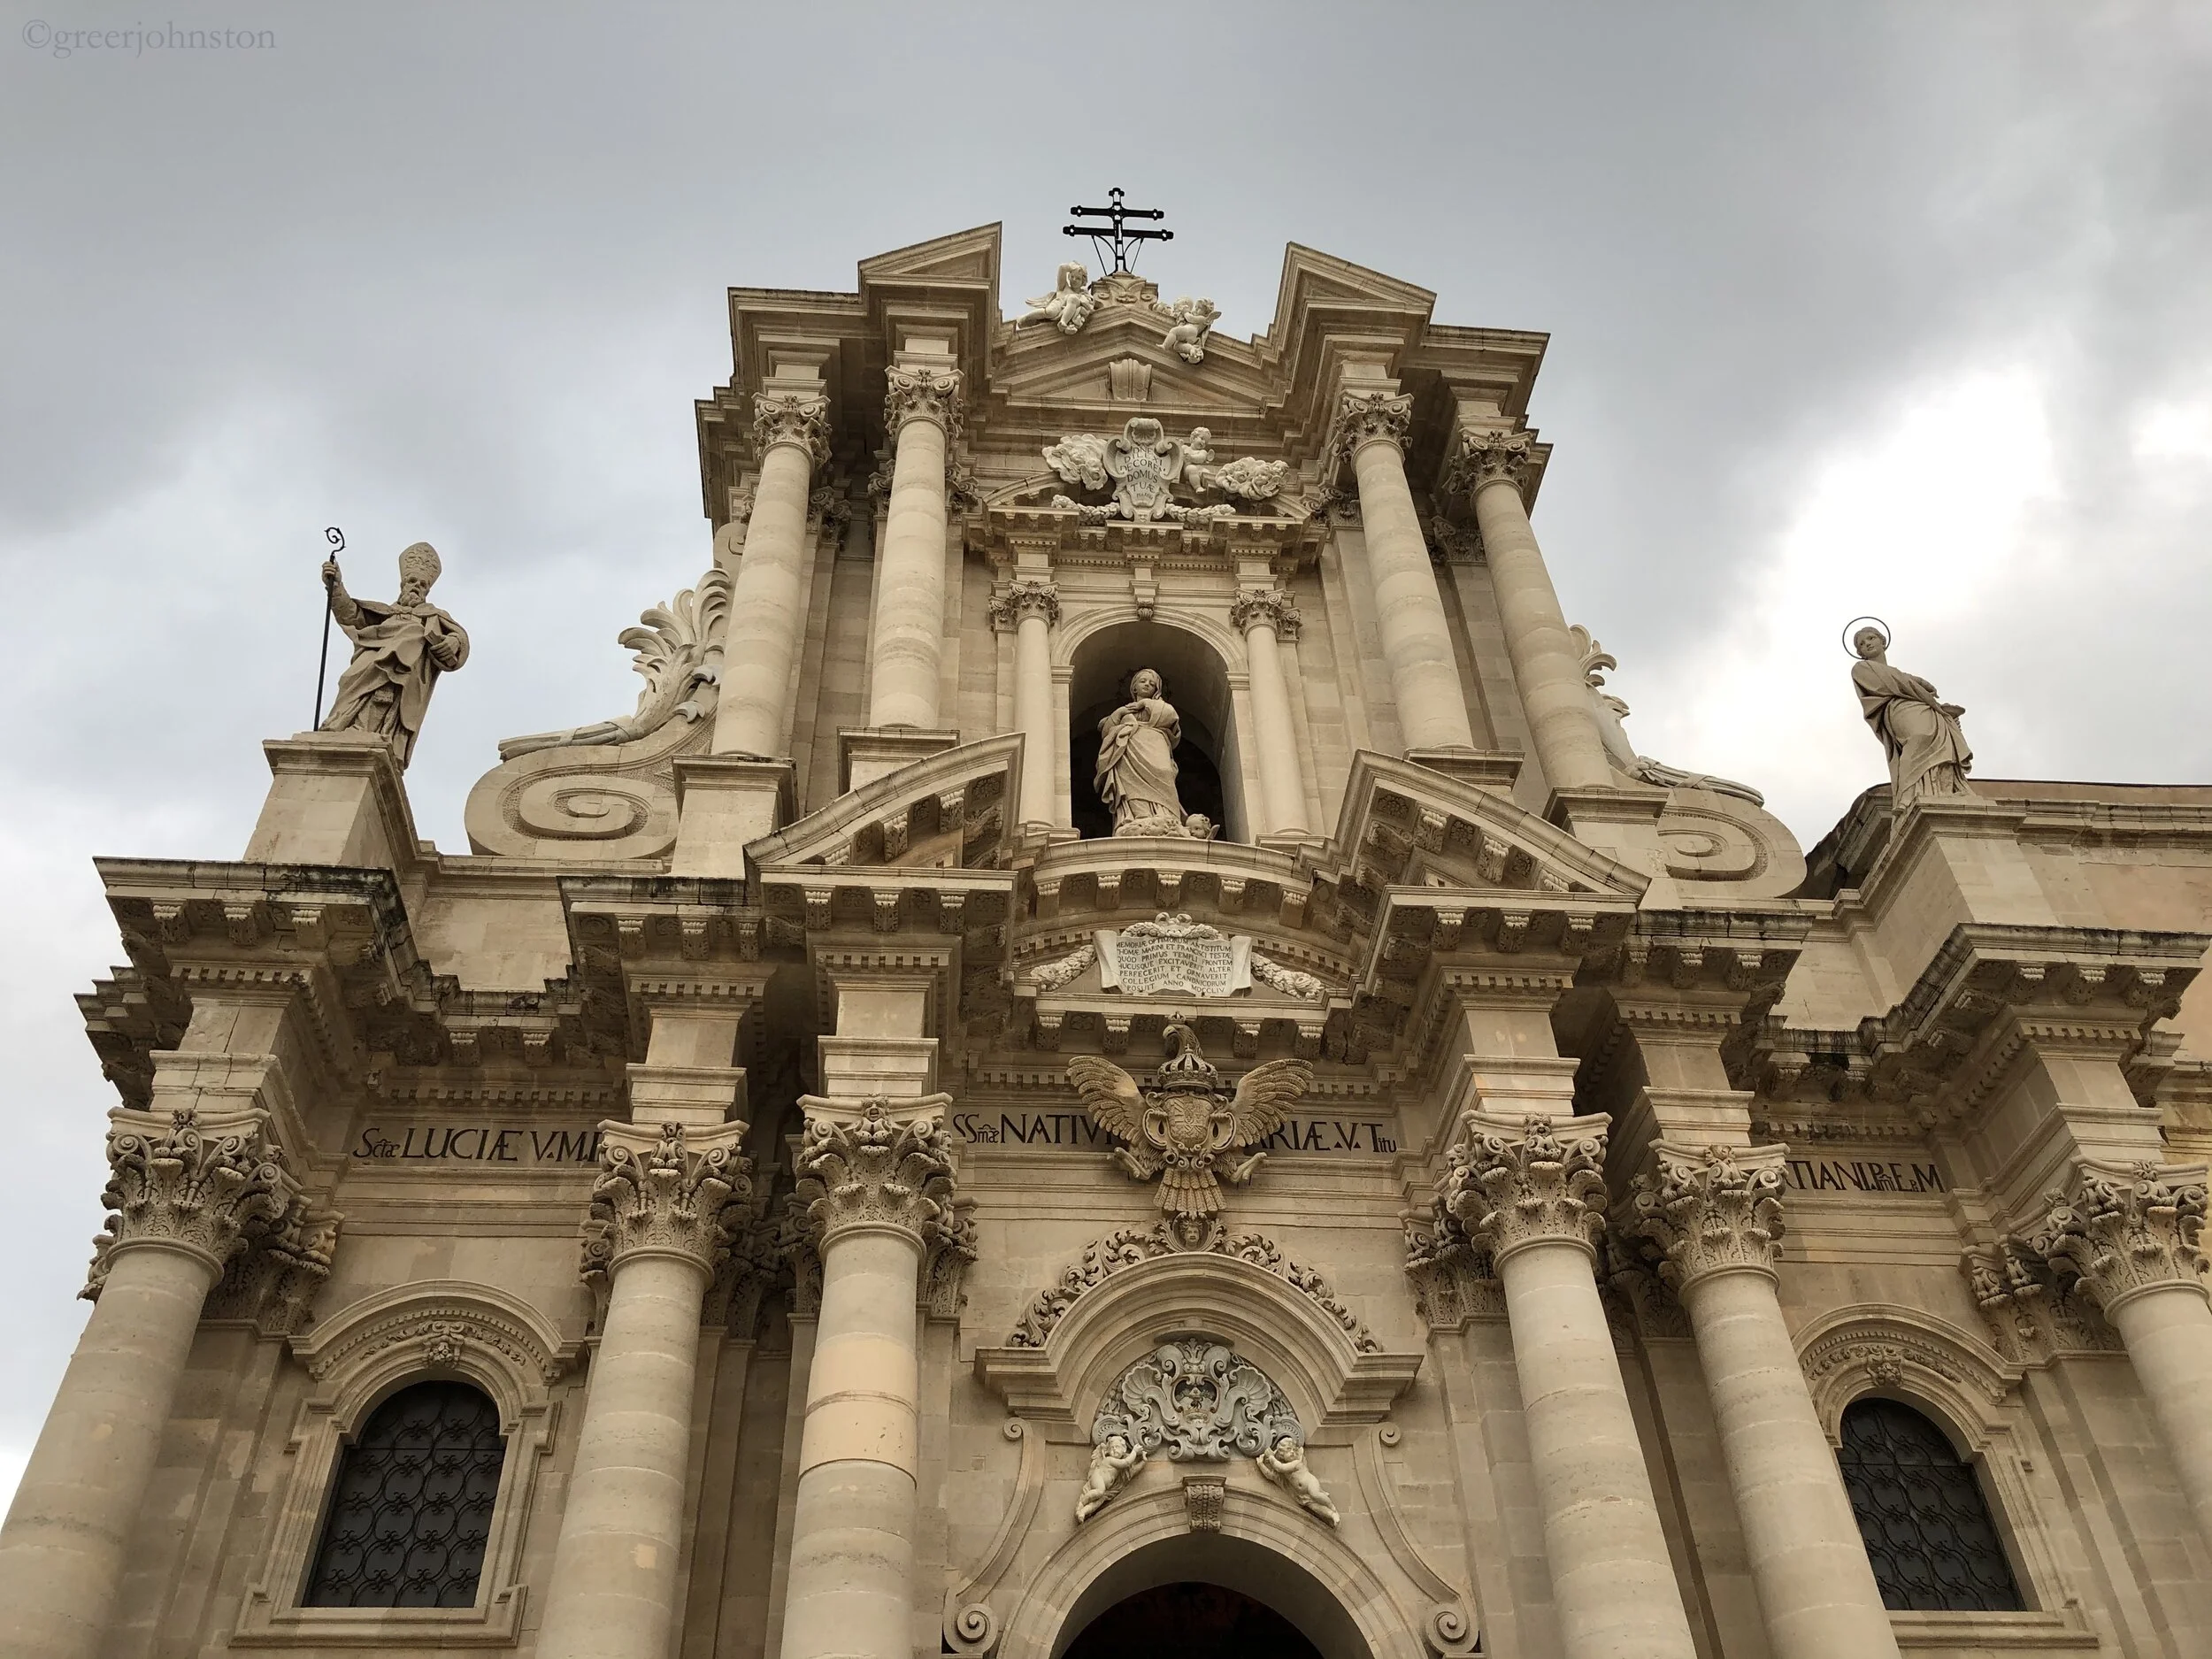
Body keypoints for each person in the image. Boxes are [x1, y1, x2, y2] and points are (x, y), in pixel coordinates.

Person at [319, 541, 470, 767]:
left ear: (427, 591)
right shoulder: (384, 613)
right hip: (371, 661)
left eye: (422, 585)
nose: (416, 587)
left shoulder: (434, 617)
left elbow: (460, 638)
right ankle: (343, 725)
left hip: (406, 671)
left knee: (412, 634)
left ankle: (377, 734)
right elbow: (350, 615)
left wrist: (453, 641)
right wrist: (336, 586)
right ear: (403, 584)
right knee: (351, 681)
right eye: (412, 581)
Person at [1850, 626, 1973, 806]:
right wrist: (1918, 684)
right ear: (1860, 653)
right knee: (1919, 738)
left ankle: (1941, 790)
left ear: (1882, 641)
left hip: (1922, 707)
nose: (1867, 644)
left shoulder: (1901, 675)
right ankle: (1907, 795)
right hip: (1897, 709)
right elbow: (1888, 685)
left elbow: (1900, 680)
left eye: (1871, 638)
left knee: (1941, 745)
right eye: (1861, 644)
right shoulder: (1861, 668)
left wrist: (1931, 700)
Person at [1094, 668, 1194, 836]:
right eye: (1143, 681)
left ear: (1156, 689)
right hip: (1128, 748)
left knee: (1165, 773)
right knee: (1130, 782)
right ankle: (1138, 817)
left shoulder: (1160, 706)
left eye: (1152, 684)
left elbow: (1171, 717)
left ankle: (1166, 817)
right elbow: (1106, 732)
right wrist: (1120, 713)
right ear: (1134, 687)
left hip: (1156, 744)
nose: (1147, 685)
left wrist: (1145, 704)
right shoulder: (1125, 710)